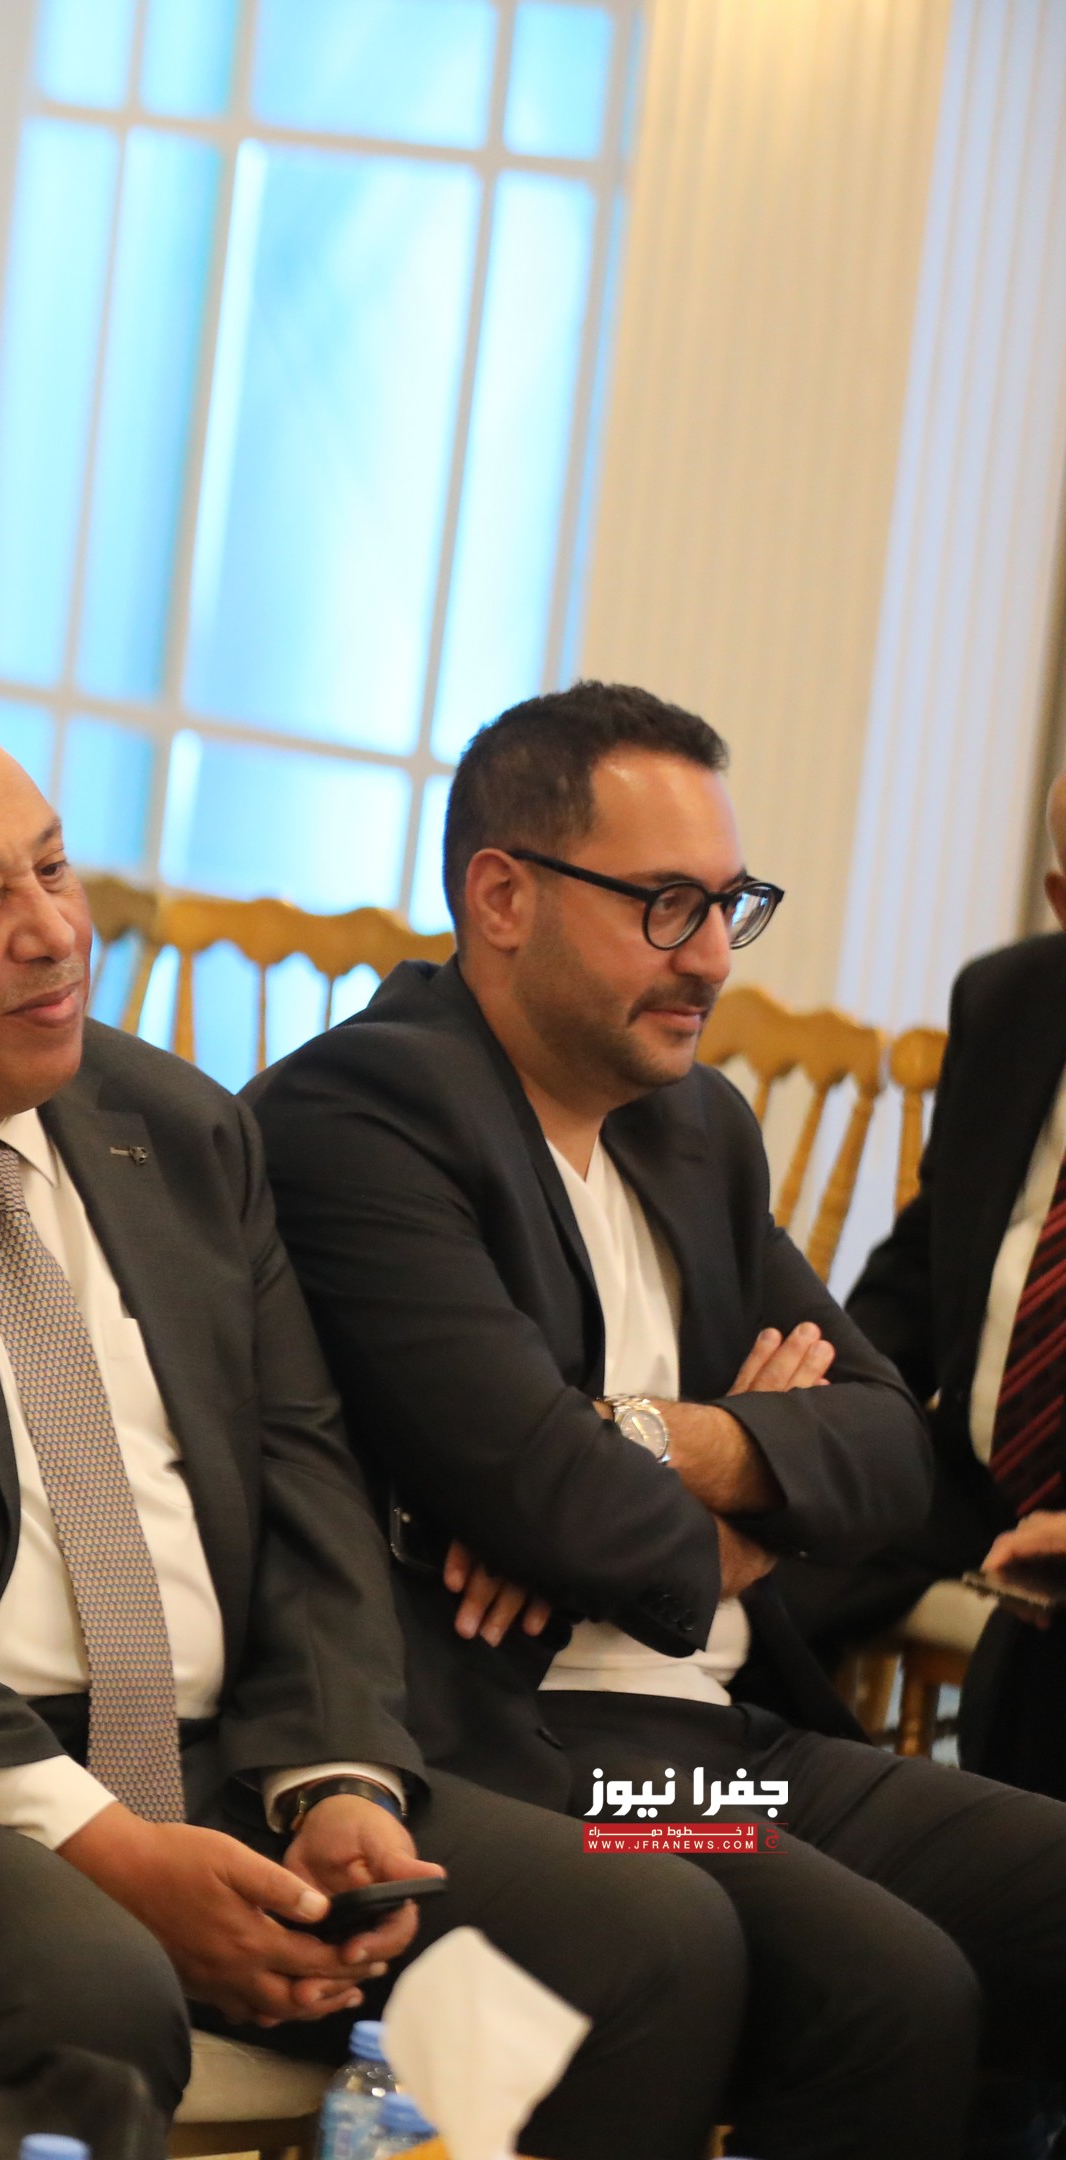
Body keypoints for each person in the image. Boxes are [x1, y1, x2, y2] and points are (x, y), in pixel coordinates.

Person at [0, 695, 745, 2158]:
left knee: (653, 1935)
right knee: (86, 1983)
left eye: (54, 869)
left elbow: (306, 1477)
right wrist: (100, 1841)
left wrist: (335, 1777)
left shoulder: (177, 1123)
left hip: (228, 1758)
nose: (54, 933)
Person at [253, 681, 1066, 2158]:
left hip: (735, 1739)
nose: (712, 956)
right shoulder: (365, 1114)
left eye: (729, 904)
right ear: (502, 896)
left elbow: (891, 1445)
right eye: (666, 905)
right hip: (572, 1765)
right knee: (893, 1989)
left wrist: (646, 1437)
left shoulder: (695, 1127)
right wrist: (733, 1500)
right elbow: (559, 1505)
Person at [844, 770, 1066, 1800]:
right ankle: (712, 1838)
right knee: (728, 1565)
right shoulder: (1008, 1000)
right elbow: (929, 1252)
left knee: (1024, 1697)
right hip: (967, 1476)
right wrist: (817, 1413)